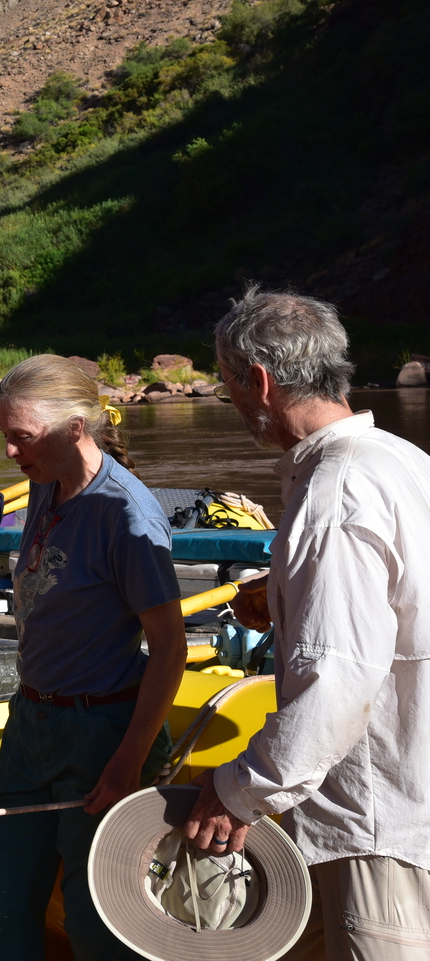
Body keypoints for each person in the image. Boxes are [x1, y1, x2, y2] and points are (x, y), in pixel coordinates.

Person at [184, 288, 430, 959]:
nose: (232, 400)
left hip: (379, 822)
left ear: (259, 381)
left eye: (227, 384)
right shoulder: (401, 459)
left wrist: (238, 791)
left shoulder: (335, 494)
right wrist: (287, 592)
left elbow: (337, 682)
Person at [0, 353, 187, 960]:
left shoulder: (127, 515)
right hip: (31, 722)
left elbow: (169, 648)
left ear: (74, 429)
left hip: (100, 731)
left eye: (21, 437)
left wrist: (127, 762)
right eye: (4, 435)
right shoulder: (46, 481)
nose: (9, 451)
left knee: (98, 923)